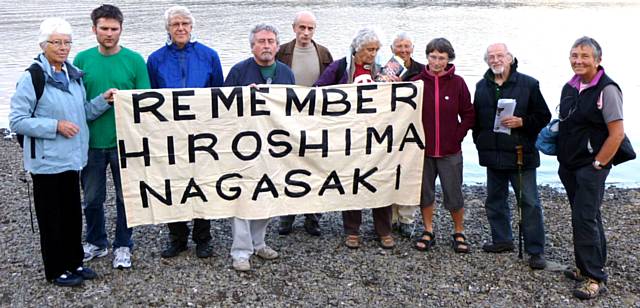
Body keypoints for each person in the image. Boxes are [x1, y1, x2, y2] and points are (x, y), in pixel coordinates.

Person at [9, 17, 116, 286]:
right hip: (46, 163)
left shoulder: (73, 74)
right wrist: (55, 126)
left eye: (67, 42)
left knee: (71, 215)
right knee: (51, 219)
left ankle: (74, 263)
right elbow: (17, 121)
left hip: (72, 159)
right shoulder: (33, 77)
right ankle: (56, 270)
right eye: (57, 42)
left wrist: (104, 100)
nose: (63, 47)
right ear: (44, 45)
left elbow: (83, 114)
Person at [73, 4, 150, 269]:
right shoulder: (81, 60)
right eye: (103, 28)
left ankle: (123, 246)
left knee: (124, 197)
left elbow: (144, 103)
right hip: (91, 143)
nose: (109, 34)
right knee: (92, 198)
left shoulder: (135, 60)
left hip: (124, 143)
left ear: (121, 29)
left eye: (114, 29)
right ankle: (96, 242)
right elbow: (76, 105)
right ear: (93, 29)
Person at [147, 5, 223, 259]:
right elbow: (149, 98)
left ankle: (203, 237)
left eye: (184, 24)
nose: (180, 29)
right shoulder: (155, 59)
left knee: (202, 183)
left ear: (192, 27)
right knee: (174, 184)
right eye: (175, 25)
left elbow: (219, 96)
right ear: (167, 29)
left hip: (202, 134)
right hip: (170, 134)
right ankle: (177, 236)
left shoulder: (209, 56)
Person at [315, 27, 395, 249]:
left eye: (376, 49)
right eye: (369, 49)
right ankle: (352, 230)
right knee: (351, 180)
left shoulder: (383, 69)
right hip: (349, 135)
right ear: (357, 49)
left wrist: (395, 85)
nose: (373, 53)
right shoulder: (340, 67)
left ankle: (384, 229)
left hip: (377, 135)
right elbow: (318, 90)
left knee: (380, 179)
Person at [472, 43, 550, 269]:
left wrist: (522, 122)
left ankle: (535, 250)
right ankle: (502, 240)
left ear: (510, 58)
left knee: (529, 202)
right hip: (492, 154)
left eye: (500, 56)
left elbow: (543, 116)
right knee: (494, 201)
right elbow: (476, 119)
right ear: (487, 61)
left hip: (520, 153)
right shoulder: (481, 86)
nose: (495, 60)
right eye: (491, 57)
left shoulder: (529, 84)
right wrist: (479, 141)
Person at [557, 37, 624, 299]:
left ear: (598, 60)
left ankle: (594, 277)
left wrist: (598, 164)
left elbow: (617, 134)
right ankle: (588, 266)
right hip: (570, 164)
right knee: (588, 215)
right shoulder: (569, 87)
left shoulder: (608, 90)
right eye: (574, 55)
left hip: (591, 166)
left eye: (585, 56)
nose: (578, 61)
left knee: (584, 218)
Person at [223, 23, 294, 271]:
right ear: (252, 45)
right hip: (243, 147)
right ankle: (240, 251)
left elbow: (292, 110)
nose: (266, 46)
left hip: (273, 146)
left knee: (266, 195)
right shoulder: (238, 71)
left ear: (277, 45)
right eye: (261, 41)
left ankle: (259, 242)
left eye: (271, 41)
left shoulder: (286, 73)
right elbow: (224, 108)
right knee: (243, 198)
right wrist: (244, 96)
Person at [412, 38, 474, 253]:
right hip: (424, 151)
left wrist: (457, 135)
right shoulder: (417, 82)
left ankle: (459, 231)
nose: (436, 62)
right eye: (433, 57)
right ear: (427, 57)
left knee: (454, 192)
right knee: (425, 193)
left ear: (448, 60)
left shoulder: (458, 83)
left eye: (441, 58)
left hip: (450, 151)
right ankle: (428, 229)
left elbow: (468, 114)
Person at [275, 10, 333, 236]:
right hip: (287, 119)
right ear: (294, 28)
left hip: (315, 120)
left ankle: (313, 218)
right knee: (287, 166)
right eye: (302, 28)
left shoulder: (324, 53)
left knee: (315, 167)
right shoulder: (281, 52)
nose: (306, 32)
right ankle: (287, 216)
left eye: (310, 28)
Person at [389, 32, 425, 237]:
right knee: (390, 172)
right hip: (391, 131)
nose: (403, 50)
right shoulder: (386, 70)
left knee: (410, 173)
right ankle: (392, 217)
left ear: (413, 48)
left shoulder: (422, 70)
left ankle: (407, 218)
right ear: (392, 50)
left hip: (413, 131)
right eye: (399, 46)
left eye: (406, 46)